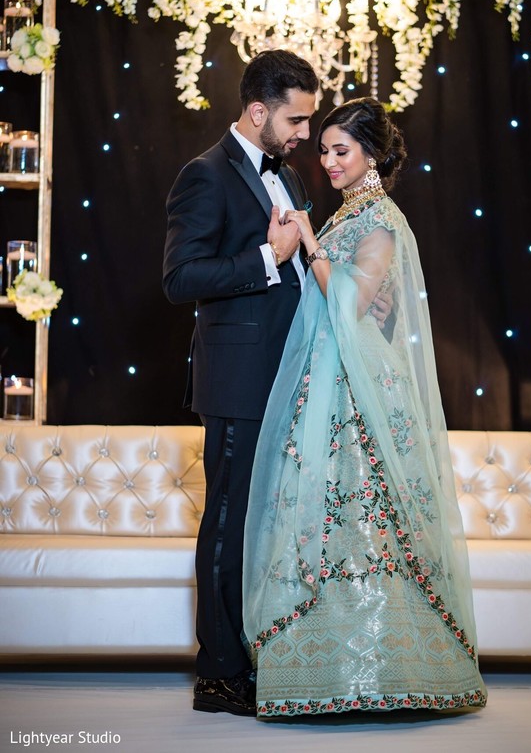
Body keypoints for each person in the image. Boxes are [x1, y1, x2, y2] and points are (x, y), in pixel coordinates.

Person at [243, 97, 488, 717]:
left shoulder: (378, 220)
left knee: (363, 518)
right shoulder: (352, 214)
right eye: (323, 149)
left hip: (354, 389)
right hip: (330, 378)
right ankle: (321, 669)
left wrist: (307, 242)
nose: (327, 161)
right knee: (325, 516)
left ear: (372, 155)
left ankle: (381, 670)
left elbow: (350, 305)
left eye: (340, 150)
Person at [163, 50, 319, 716]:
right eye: (298, 119)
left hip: (287, 378)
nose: (306, 134)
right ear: (259, 112)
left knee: (265, 529)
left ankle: (256, 656)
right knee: (228, 526)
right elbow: (181, 279)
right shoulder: (204, 175)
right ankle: (217, 672)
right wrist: (267, 258)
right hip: (238, 382)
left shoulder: (288, 176)